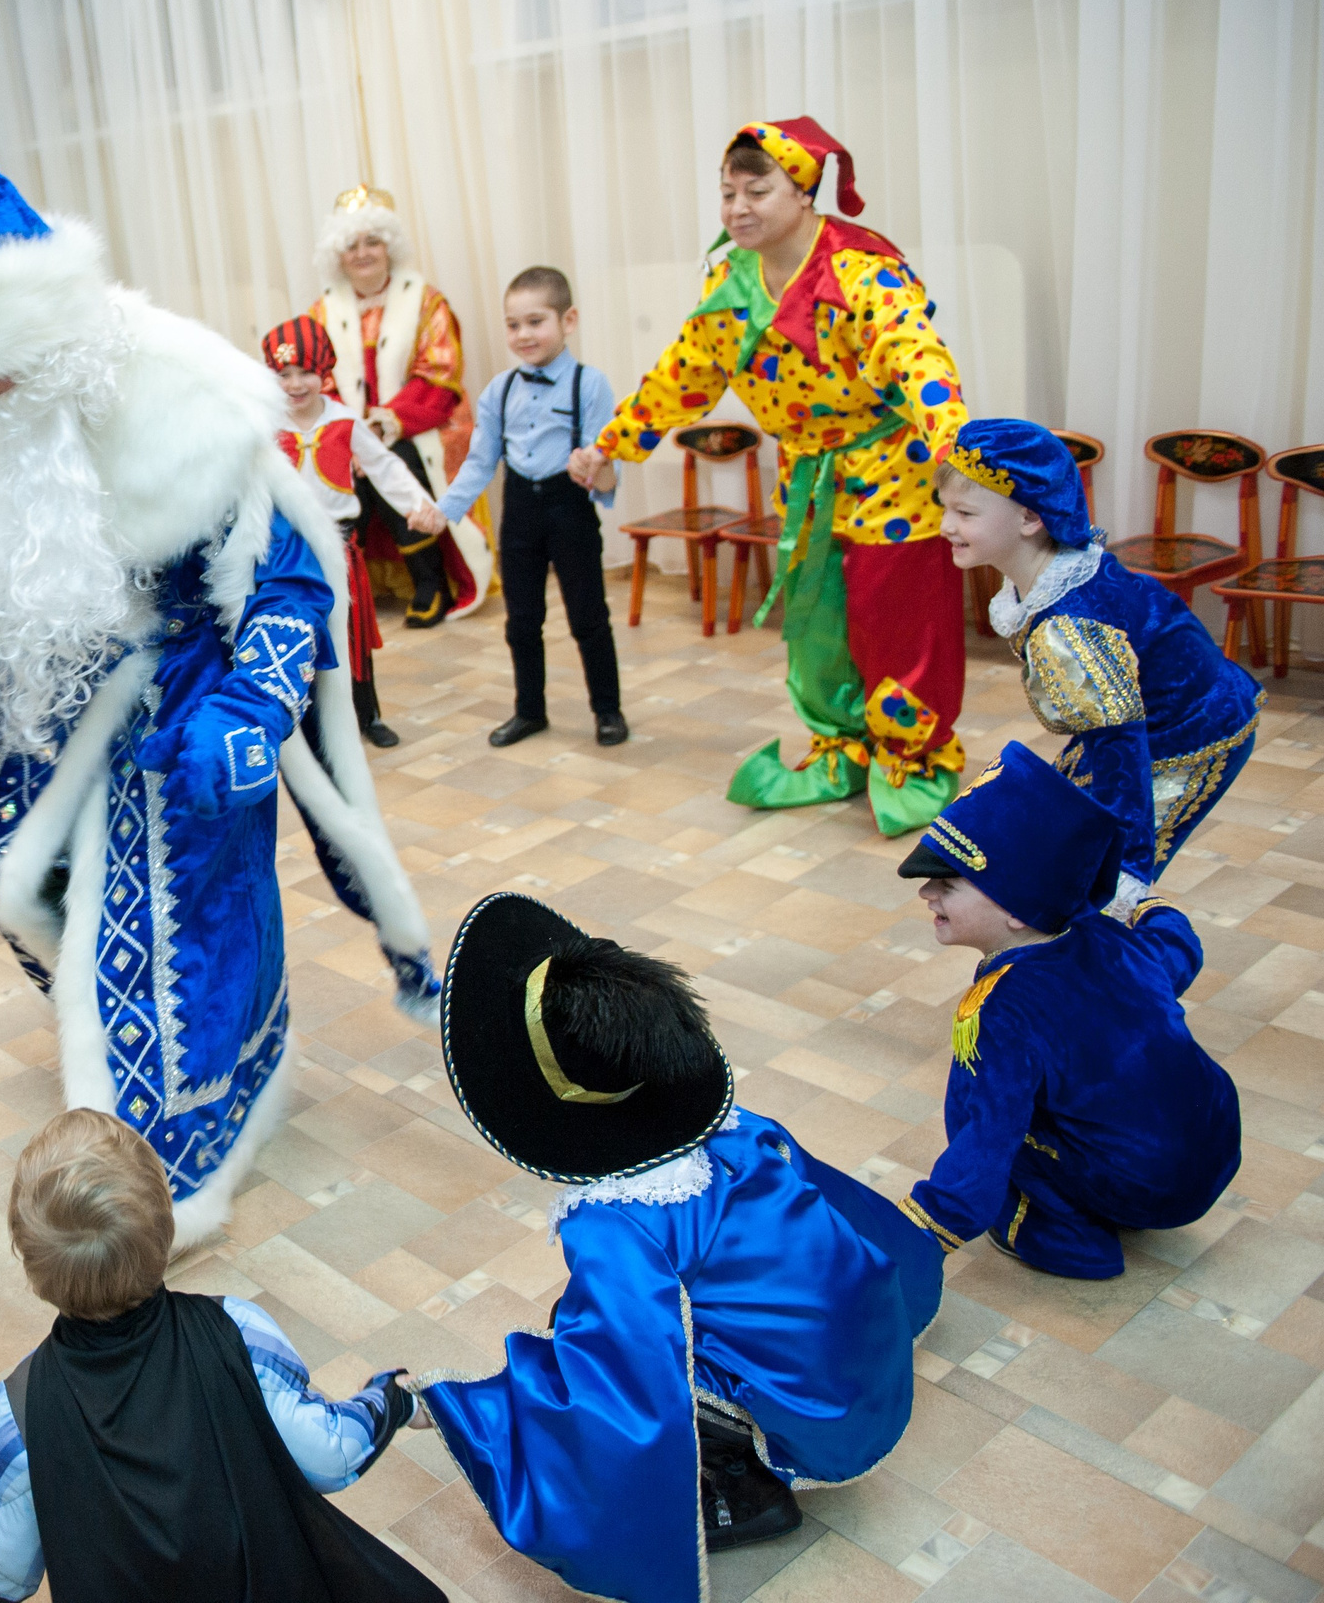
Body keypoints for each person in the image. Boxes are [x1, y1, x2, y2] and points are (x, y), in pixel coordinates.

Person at [0, 145, 441, 1244]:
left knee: (166, 936)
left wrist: (251, 709)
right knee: (22, 892)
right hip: (40, 726)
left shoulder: (180, 404)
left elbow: (285, 578)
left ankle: (164, 1172)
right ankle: (130, 1050)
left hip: (184, 715)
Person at [414, 893, 942, 1603]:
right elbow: (850, 1218)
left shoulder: (618, 1223)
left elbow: (625, 1373)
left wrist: (465, 1407)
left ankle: (743, 1490)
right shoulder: (742, 1130)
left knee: (580, 1338)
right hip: (866, 1368)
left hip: (820, 1417)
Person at [572, 119, 971, 834]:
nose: (737, 208)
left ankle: (915, 762)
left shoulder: (861, 270)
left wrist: (951, 438)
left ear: (804, 193)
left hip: (892, 473)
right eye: (728, 193)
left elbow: (916, 356)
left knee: (899, 625)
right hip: (805, 478)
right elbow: (682, 374)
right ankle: (840, 747)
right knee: (816, 627)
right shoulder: (731, 284)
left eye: (756, 191)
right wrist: (613, 444)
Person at [0, 1108, 438, 1603]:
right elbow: (329, 1456)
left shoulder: (19, 1412)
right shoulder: (237, 1331)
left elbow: (3, 1578)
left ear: (28, 1261)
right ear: (166, 1227)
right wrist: (390, 1399)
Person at [895, 741, 1241, 1279]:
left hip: (1138, 1187)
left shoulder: (1002, 1009)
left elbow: (985, 1139)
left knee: (985, 1102)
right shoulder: (1107, 937)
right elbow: (1179, 950)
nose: (927, 893)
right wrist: (1148, 904)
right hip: (1216, 1148)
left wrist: (917, 1233)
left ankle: (1065, 1239)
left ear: (1016, 910)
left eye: (949, 883)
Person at [935, 418, 1262, 913]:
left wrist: (1125, 868)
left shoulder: (1071, 628)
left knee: (1093, 885)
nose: (946, 526)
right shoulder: (1055, 575)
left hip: (1189, 732)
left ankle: (1112, 949)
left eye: (964, 513)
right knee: (1060, 839)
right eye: (945, 508)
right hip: (1139, 723)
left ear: (1030, 517)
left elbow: (1121, 748)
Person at [410, 267, 626, 749]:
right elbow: (479, 463)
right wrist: (443, 510)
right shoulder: (499, 391)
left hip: (570, 510)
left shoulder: (590, 385)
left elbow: (608, 464)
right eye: (513, 325)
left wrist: (596, 466)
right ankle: (529, 710)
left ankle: (607, 710)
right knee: (522, 620)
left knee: (588, 615)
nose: (523, 335)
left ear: (568, 321)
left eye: (535, 322)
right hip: (520, 511)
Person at [307, 185, 486, 627]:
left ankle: (430, 583)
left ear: (390, 246)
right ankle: (348, 586)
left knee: (396, 462)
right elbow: (316, 380)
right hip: (347, 429)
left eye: (373, 241)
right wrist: (352, 435)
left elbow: (439, 375)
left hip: (415, 426)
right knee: (340, 468)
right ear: (338, 254)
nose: (362, 253)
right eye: (352, 245)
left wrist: (385, 426)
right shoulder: (321, 313)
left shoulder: (426, 301)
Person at [261, 314, 440, 749]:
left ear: (324, 371)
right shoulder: (265, 426)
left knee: (351, 633)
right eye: (284, 374)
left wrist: (418, 504)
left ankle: (368, 715)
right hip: (289, 553)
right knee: (300, 635)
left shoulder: (344, 421)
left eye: (305, 371)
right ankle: (311, 727)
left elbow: (384, 465)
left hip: (341, 547)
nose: (295, 384)